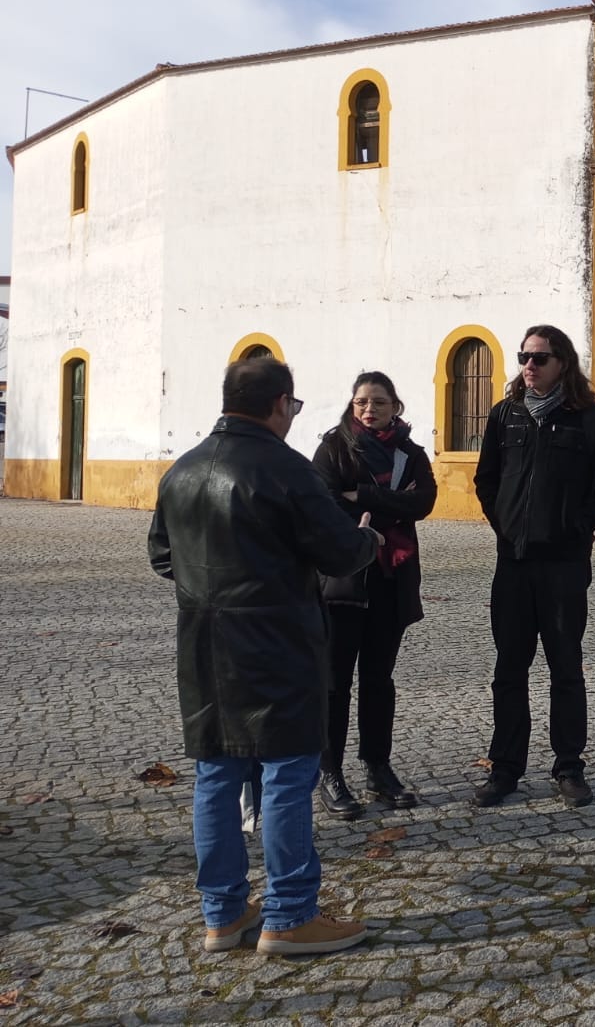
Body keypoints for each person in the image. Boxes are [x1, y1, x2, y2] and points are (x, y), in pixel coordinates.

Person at [148, 356, 381, 956]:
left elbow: (162, 555)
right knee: (284, 776)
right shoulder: (286, 469)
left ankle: (222, 914)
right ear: (280, 403)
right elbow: (338, 550)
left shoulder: (182, 471)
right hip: (278, 641)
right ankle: (289, 914)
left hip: (204, 644)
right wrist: (368, 540)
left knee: (216, 775)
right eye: (293, 407)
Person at [471, 325, 595, 809]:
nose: (529, 365)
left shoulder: (589, 419)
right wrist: (507, 527)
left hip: (563, 565)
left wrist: (576, 528)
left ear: (562, 362)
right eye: (524, 356)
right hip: (514, 564)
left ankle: (568, 766)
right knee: (509, 669)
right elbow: (486, 481)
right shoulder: (505, 416)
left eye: (539, 357)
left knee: (565, 668)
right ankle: (505, 769)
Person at [311, 371, 438, 820]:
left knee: (379, 681)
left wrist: (363, 495)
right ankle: (330, 773)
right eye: (362, 401)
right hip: (344, 583)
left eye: (379, 402)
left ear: (395, 406)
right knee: (334, 682)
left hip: (391, 579)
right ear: (352, 405)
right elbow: (323, 504)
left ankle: (377, 767)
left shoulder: (410, 452)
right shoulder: (333, 449)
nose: (369, 409)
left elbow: (424, 502)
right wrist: (388, 501)